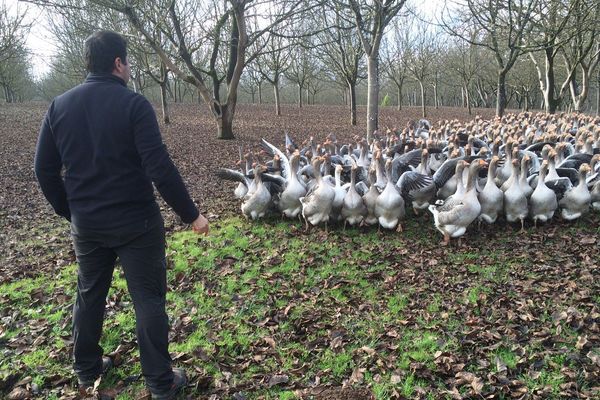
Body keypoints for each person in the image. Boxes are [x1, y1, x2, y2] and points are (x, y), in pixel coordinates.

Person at [34, 30, 208, 400]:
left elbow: (43, 170)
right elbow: (159, 166)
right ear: (118, 63)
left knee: (89, 294)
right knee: (148, 299)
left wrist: (71, 211)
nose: (129, 68)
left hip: (88, 225)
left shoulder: (59, 106)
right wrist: (191, 215)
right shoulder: (134, 105)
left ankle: (86, 369)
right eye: (127, 62)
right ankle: (161, 384)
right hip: (137, 225)